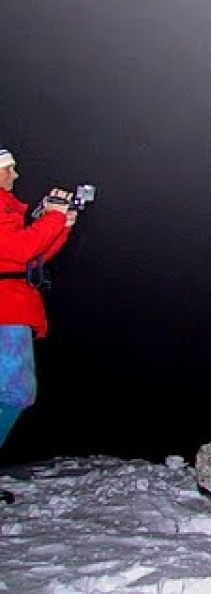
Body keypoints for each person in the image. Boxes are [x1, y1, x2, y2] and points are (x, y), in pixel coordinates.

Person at [0, 146, 77, 494]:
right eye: (9, 169)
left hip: (13, 305)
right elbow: (20, 249)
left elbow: (32, 260)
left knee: (14, 392)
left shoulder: (7, 210)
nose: (15, 176)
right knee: (16, 392)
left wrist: (62, 224)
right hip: (5, 310)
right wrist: (52, 218)